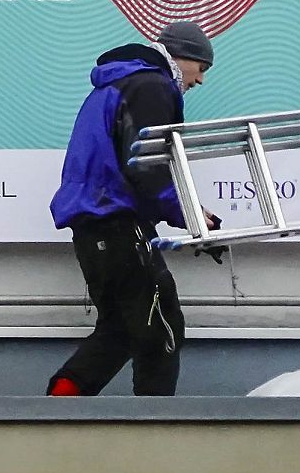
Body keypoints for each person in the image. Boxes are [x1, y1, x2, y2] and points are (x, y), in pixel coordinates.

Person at [46, 21, 218, 397]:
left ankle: (60, 405)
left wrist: (188, 211)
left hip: (93, 228)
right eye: (201, 67)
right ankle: (155, 424)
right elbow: (147, 166)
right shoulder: (152, 85)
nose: (200, 80)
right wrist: (190, 215)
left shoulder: (116, 84)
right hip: (120, 223)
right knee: (162, 328)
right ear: (180, 57)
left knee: (120, 329)